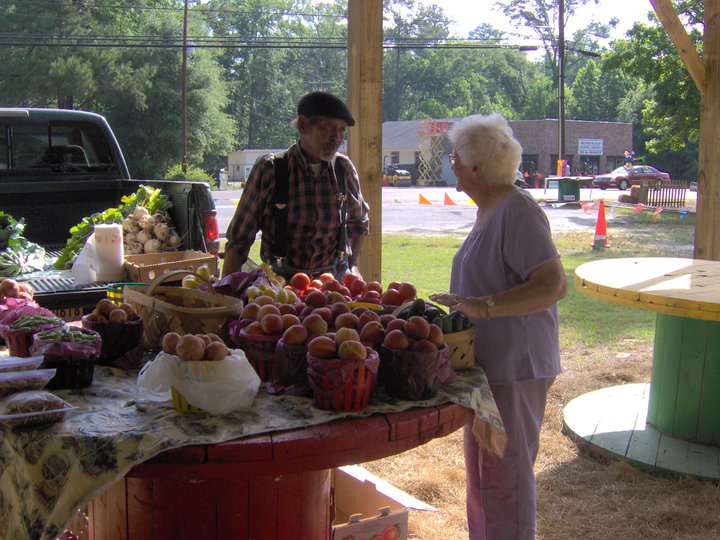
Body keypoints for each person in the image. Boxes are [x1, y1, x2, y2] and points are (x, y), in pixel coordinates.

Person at [429, 113, 567, 540]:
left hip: (516, 368)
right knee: (486, 477)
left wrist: (482, 307)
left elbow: (553, 284)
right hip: (489, 372)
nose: (450, 162)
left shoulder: (518, 210)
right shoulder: (491, 208)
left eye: (455, 155)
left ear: (477, 167)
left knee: (508, 479)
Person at [223, 91, 369, 280]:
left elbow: (359, 223)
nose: (337, 137)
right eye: (329, 127)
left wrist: (352, 266)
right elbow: (239, 240)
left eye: (342, 130)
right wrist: (225, 293)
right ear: (303, 125)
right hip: (280, 286)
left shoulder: (344, 168)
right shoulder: (270, 169)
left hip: (333, 283)